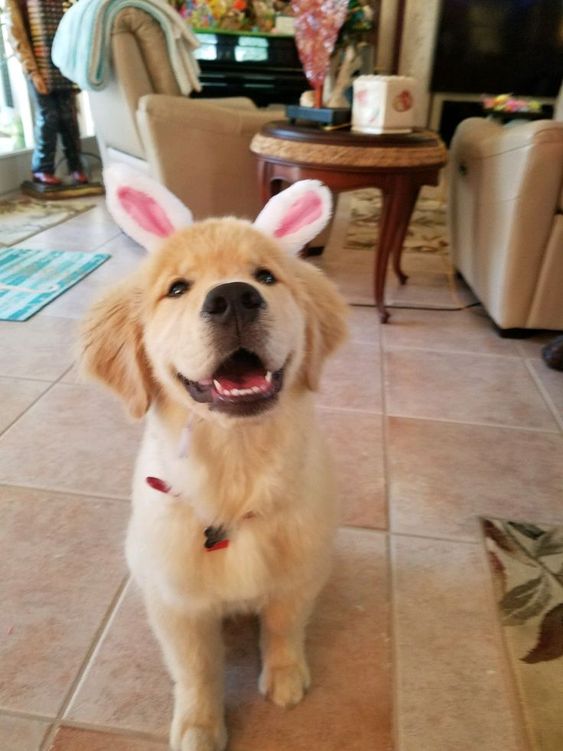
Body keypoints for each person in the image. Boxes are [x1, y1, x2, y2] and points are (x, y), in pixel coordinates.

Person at [5, 0, 88, 186]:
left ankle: (76, 167)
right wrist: (33, 72)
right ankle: (43, 169)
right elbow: (17, 36)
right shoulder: (15, 4)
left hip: (62, 65)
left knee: (69, 117)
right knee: (48, 117)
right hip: (37, 67)